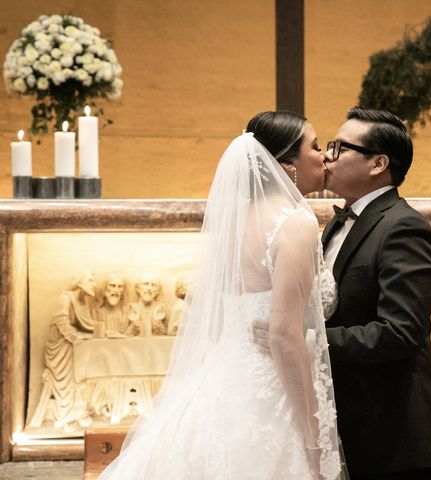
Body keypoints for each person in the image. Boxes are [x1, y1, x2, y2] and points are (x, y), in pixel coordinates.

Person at [99, 112, 344, 479]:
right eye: (315, 145)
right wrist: (314, 437)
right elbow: (283, 335)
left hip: (222, 382)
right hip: (270, 393)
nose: (324, 155)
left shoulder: (237, 221)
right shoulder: (295, 223)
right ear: (286, 165)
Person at [322, 107, 431, 479]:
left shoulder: (404, 227)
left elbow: (400, 334)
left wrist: (310, 341)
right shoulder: (336, 223)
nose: (326, 156)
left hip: (392, 435)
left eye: (339, 147)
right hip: (349, 424)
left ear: (378, 163)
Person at [29, 271, 96, 431]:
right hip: (60, 346)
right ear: (80, 282)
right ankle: (64, 417)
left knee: (78, 378)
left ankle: (78, 413)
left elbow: (87, 324)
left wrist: (99, 333)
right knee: (65, 381)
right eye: (91, 280)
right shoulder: (65, 298)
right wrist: (77, 337)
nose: (94, 284)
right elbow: (62, 321)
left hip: (74, 345)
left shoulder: (82, 301)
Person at [95, 273, 136, 337]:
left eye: (120, 286)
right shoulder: (96, 313)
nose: (116, 290)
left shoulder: (128, 313)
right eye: (112, 285)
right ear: (104, 288)